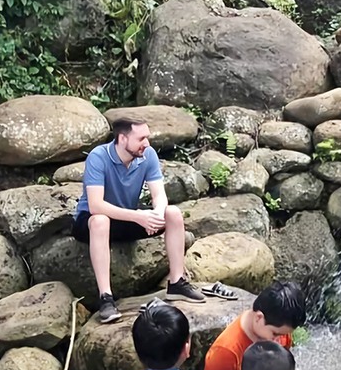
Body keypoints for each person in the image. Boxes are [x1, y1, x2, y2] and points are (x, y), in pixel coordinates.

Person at [73, 118, 236, 324]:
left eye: (147, 137)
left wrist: (157, 214)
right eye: (141, 138)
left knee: (173, 213)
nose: (147, 143)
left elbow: (159, 196)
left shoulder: (148, 155)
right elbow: (96, 205)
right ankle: (106, 298)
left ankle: (176, 282)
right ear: (123, 139)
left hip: (127, 217)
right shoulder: (99, 157)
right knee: (100, 221)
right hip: (90, 222)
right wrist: (139, 216)